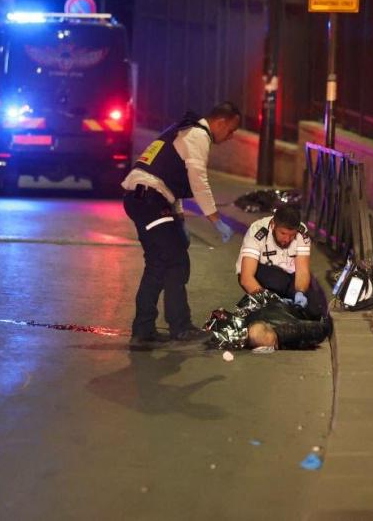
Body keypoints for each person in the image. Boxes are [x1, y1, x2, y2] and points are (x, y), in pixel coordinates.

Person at [122, 101, 241, 343]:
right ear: (220, 122)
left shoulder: (184, 130)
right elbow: (198, 181)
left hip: (144, 198)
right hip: (151, 199)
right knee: (176, 262)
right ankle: (180, 327)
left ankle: (143, 330)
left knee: (158, 264)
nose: (231, 137)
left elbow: (171, 182)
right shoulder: (198, 135)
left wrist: (179, 220)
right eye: (231, 130)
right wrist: (216, 220)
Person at [236, 204, 327, 319]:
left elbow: (302, 271)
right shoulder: (257, 230)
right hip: (263, 273)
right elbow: (246, 278)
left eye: (292, 235)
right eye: (283, 233)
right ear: (273, 225)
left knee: (315, 310)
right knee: (277, 286)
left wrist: (300, 292)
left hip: (288, 276)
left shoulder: (302, 232)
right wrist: (270, 301)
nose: (287, 239)